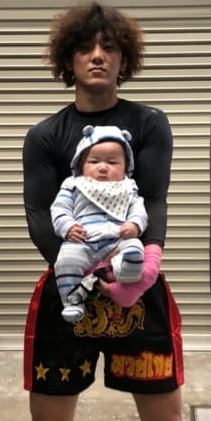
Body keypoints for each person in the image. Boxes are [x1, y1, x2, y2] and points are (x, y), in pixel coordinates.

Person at [22, 0, 197, 421]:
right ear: (68, 58)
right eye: (85, 47)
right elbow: (40, 216)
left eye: (109, 47)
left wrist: (146, 265)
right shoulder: (45, 136)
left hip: (137, 287)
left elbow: (155, 200)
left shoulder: (149, 124)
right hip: (70, 290)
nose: (97, 55)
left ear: (124, 58)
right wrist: (82, 274)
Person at [52, 124, 148, 323]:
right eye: (94, 161)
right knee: (65, 261)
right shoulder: (73, 184)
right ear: (80, 165)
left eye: (112, 162)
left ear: (126, 167)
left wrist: (134, 225)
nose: (103, 167)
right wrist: (67, 227)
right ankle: (72, 301)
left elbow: (139, 210)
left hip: (116, 238)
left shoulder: (128, 187)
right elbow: (59, 209)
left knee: (135, 246)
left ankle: (126, 269)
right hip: (83, 240)